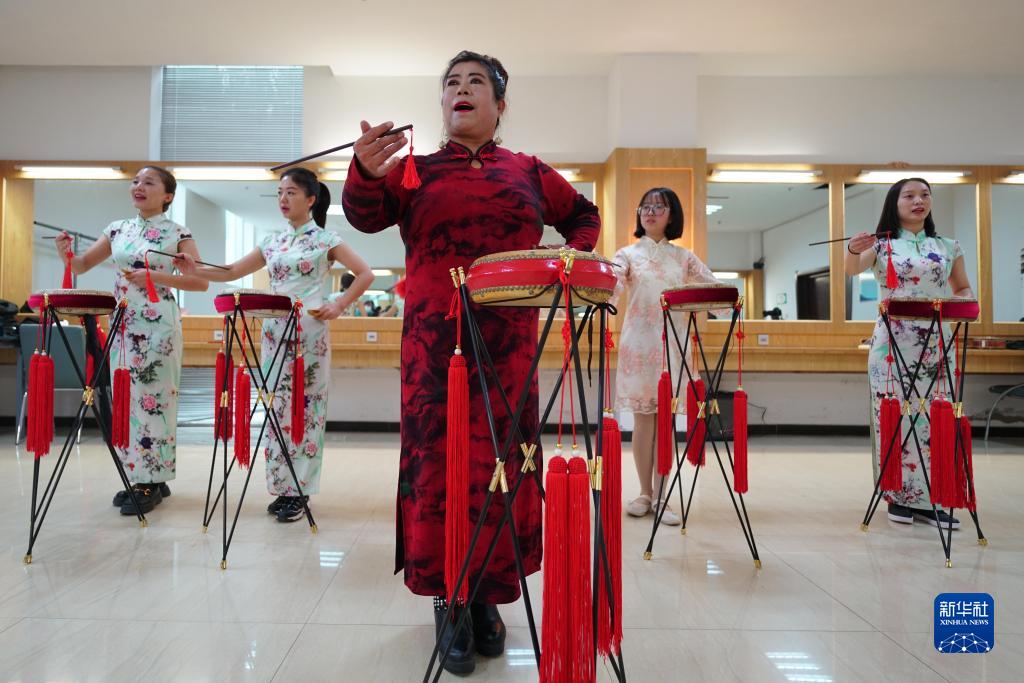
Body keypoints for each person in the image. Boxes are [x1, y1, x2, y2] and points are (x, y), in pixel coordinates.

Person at [342, 50, 600, 675]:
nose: (461, 90)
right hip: (434, 350)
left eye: (475, 82)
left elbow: (583, 219)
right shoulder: (416, 171)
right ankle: (447, 596)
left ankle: (488, 594)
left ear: (500, 103)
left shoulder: (530, 170)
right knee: (440, 465)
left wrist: (560, 266)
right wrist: (364, 172)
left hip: (512, 344)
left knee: (504, 465)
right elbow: (363, 216)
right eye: (451, 83)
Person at [177, 167, 373, 522]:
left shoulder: (326, 240)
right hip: (273, 331)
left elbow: (366, 273)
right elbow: (230, 271)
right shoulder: (271, 241)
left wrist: (339, 304)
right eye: (280, 193)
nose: (283, 199)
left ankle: (300, 491)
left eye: (291, 193)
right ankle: (282, 487)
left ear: (311, 200)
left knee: (306, 407)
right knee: (275, 407)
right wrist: (193, 267)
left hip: (309, 332)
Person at [55, 166, 208, 515]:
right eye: (136, 181)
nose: (138, 186)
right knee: (128, 398)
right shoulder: (117, 229)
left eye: (149, 182)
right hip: (124, 326)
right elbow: (81, 265)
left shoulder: (177, 232)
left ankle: (148, 480)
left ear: (167, 195)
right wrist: (67, 253)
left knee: (155, 400)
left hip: (160, 327)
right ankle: (146, 475)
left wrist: (157, 274)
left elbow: (200, 282)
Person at [845, 177, 974, 528]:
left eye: (925, 195)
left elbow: (962, 287)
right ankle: (897, 497)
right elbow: (851, 269)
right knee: (894, 416)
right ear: (894, 203)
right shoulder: (883, 244)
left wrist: (959, 303)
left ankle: (933, 500)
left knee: (935, 418)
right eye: (909, 195)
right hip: (891, 343)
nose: (919, 200)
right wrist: (854, 249)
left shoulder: (948, 246)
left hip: (936, 343)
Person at [611, 187, 720, 527]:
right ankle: (644, 493)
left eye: (659, 207)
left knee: (667, 421)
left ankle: (662, 496)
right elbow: (608, 289)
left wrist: (708, 303)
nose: (650, 212)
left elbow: (712, 289)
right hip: (638, 347)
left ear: (672, 215)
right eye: (645, 206)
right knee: (644, 420)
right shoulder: (626, 254)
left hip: (673, 345)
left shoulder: (684, 257)